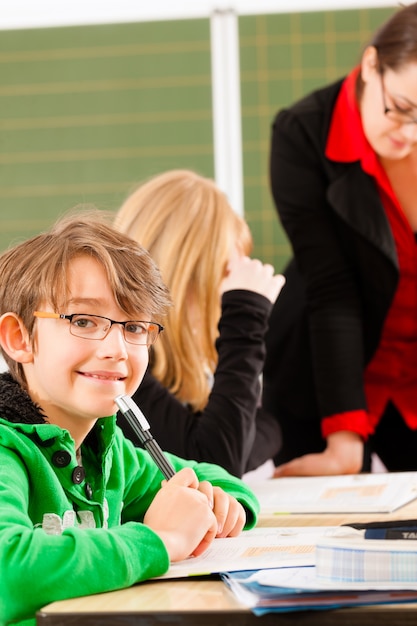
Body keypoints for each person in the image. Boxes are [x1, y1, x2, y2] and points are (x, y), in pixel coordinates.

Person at [0, 210, 259, 626]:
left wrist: (222, 503)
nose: (117, 349)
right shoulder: (7, 449)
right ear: (19, 338)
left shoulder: (110, 451)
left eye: (135, 326)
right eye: (83, 320)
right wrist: (161, 539)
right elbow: (7, 572)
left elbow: (216, 477)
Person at [264, 2, 417, 477]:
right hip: (324, 373)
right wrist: (345, 442)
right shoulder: (302, 134)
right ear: (372, 64)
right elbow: (333, 290)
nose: (410, 133)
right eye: (402, 109)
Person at [113, 169, 285, 478]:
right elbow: (218, 465)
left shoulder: (188, 362)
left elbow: (267, 427)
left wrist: (239, 445)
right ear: (186, 276)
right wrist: (245, 316)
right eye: (226, 275)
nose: (225, 294)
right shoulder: (119, 362)